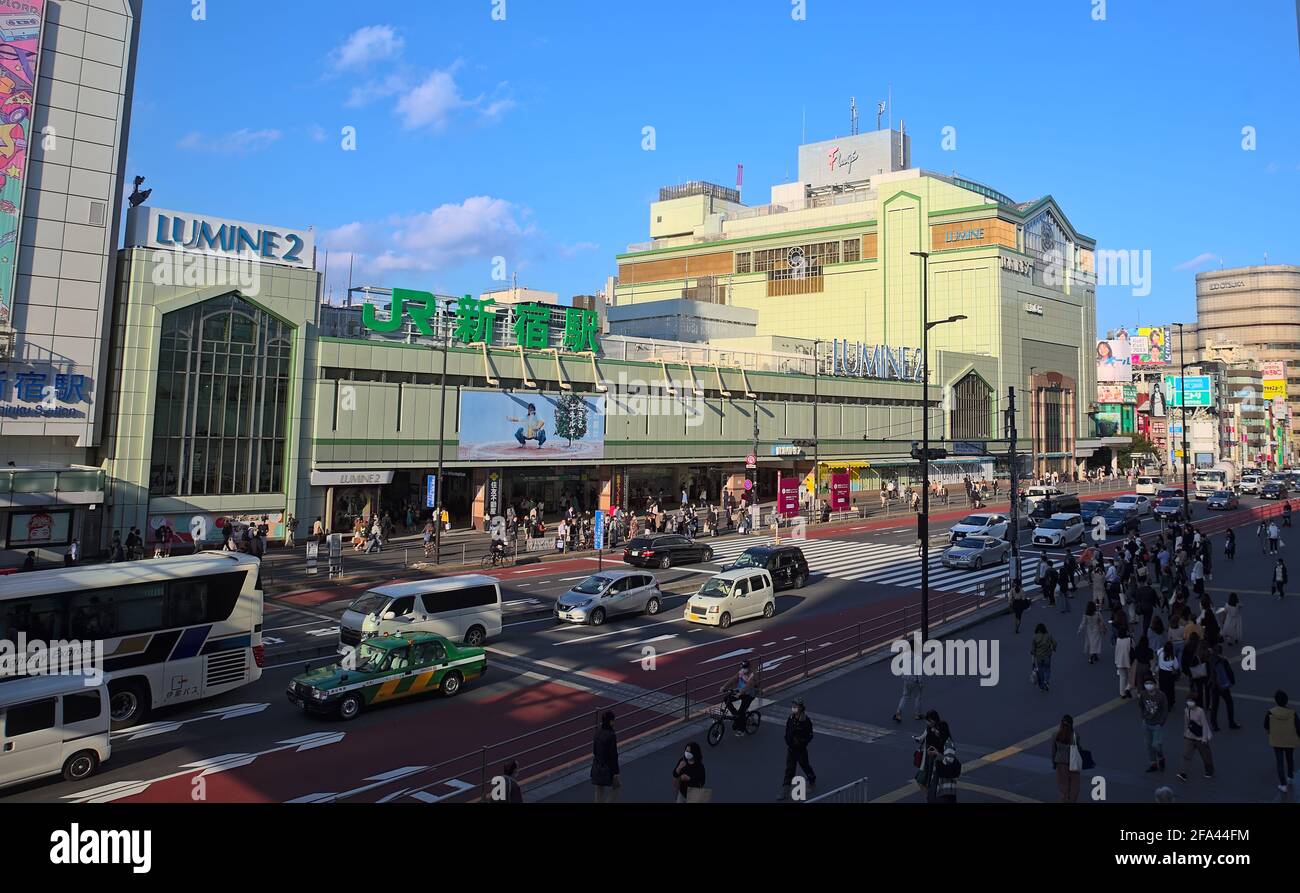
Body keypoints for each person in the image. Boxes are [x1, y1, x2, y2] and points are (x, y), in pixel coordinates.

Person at [778, 699, 816, 799]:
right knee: (789, 769)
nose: (793, 707)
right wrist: (787, 739)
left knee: (805, 765)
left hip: (800, 749)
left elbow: (810, 735)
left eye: (796, 706)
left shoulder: (805, 721)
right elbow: (787, 729)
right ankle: (785, 788)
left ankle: (812, 779)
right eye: (793, 705)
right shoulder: (791, 718)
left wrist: (801, 742)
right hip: (790, 748)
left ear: (801, 707)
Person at [1264, 690, 1300, 793]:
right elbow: (1298, 727)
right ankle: (1290, 775)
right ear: (1286, 701)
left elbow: (1266, 725)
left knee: (1279, 762)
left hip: (1276, 740)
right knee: (1289, 758)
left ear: (1276, 701)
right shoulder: (1292, 713)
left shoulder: (1270, 712)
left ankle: (1283, 784)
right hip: (1289, 739)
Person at [1176, 693, 1215, 782]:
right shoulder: (1186, 710)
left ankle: (1209, 770)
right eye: (1188, 701)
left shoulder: (1200, 711)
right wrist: (1185, 733)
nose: (1189, 703)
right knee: (1185, 755)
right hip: (1190, 736)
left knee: (1206, 756)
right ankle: (1183, 773)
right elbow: (1186, 723)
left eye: (1191, 701)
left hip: (1200, 738)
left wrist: (1204, 738)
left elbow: (1204, 725)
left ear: (1195, 702)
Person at [1138, 677, 1170, 773]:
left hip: (1157, 724)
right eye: (1146, 683)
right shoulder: (1143, 694)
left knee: (1156, 745)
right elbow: (1141, 705)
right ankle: (1153, 763)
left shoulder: (1161, 695)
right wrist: (1143, 716)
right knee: (1148, 745)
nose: (1148, 685)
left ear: (1155, 685)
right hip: (1146, 723)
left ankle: (1161, 758)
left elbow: (1165, 709)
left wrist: (1161, 722)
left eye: (1150, 683)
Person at [1049, 715, 1083, 802]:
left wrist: (1054, 763)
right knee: (1074, 788)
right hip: (1073, 764)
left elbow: (1053, 751)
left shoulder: (1055, 735)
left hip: (1061, 764)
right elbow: (1078, 750)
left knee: (1064, 789)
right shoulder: (1075, 736)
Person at [1207, 644, 1240, 732]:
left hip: (1214, 685)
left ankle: (1214, 724)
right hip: (1223, 685)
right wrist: (1232, 681)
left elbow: (1210, 672)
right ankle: (1231, 722)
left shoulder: (1210, 659)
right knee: (1229, 703)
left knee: (1215, 705)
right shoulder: (1223, 660)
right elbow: (1229, 672)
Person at [722, 660, 761, 735]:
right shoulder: (741, 672)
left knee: (741, 711)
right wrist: (724, 686)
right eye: (742, 667)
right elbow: (733, 679)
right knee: (726, 699)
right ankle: (737, 717)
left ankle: (741, 729)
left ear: (749, 667)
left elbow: (749, 685)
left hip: (750, 694)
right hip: (740, 692)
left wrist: (740, 693)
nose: (743, 669)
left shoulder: (753, 674)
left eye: (745, 667)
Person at [591, 710, 620, 802]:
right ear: (611, 721)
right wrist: (616, 773)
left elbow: (595, 751)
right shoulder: (611, 735)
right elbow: (613, 755)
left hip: (596, 766)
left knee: (599, 790)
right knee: (617, 787)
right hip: (607, 768)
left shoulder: (597, 733)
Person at [1030, 623, 1057, 692]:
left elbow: (1033, 650)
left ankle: (1041, 686)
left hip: (1038, 657)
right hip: (1047, 656)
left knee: (1040, 671)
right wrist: (1053, 648)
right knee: (1047, 669)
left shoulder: (1035, 637)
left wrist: (1033, 660)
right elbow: (1055, 643)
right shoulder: (1048, 635)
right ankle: (1046, 681)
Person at [1115, 624, 1134, 698]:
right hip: (1128, 660)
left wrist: (1116, 660)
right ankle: (1127, 688)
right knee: (1130, 676)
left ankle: (1122, 693)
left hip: (1120, 660)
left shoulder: (1118, 640)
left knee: (1122, 677)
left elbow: (1116, 650)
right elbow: (1133, 648)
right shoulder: (1129, 640)